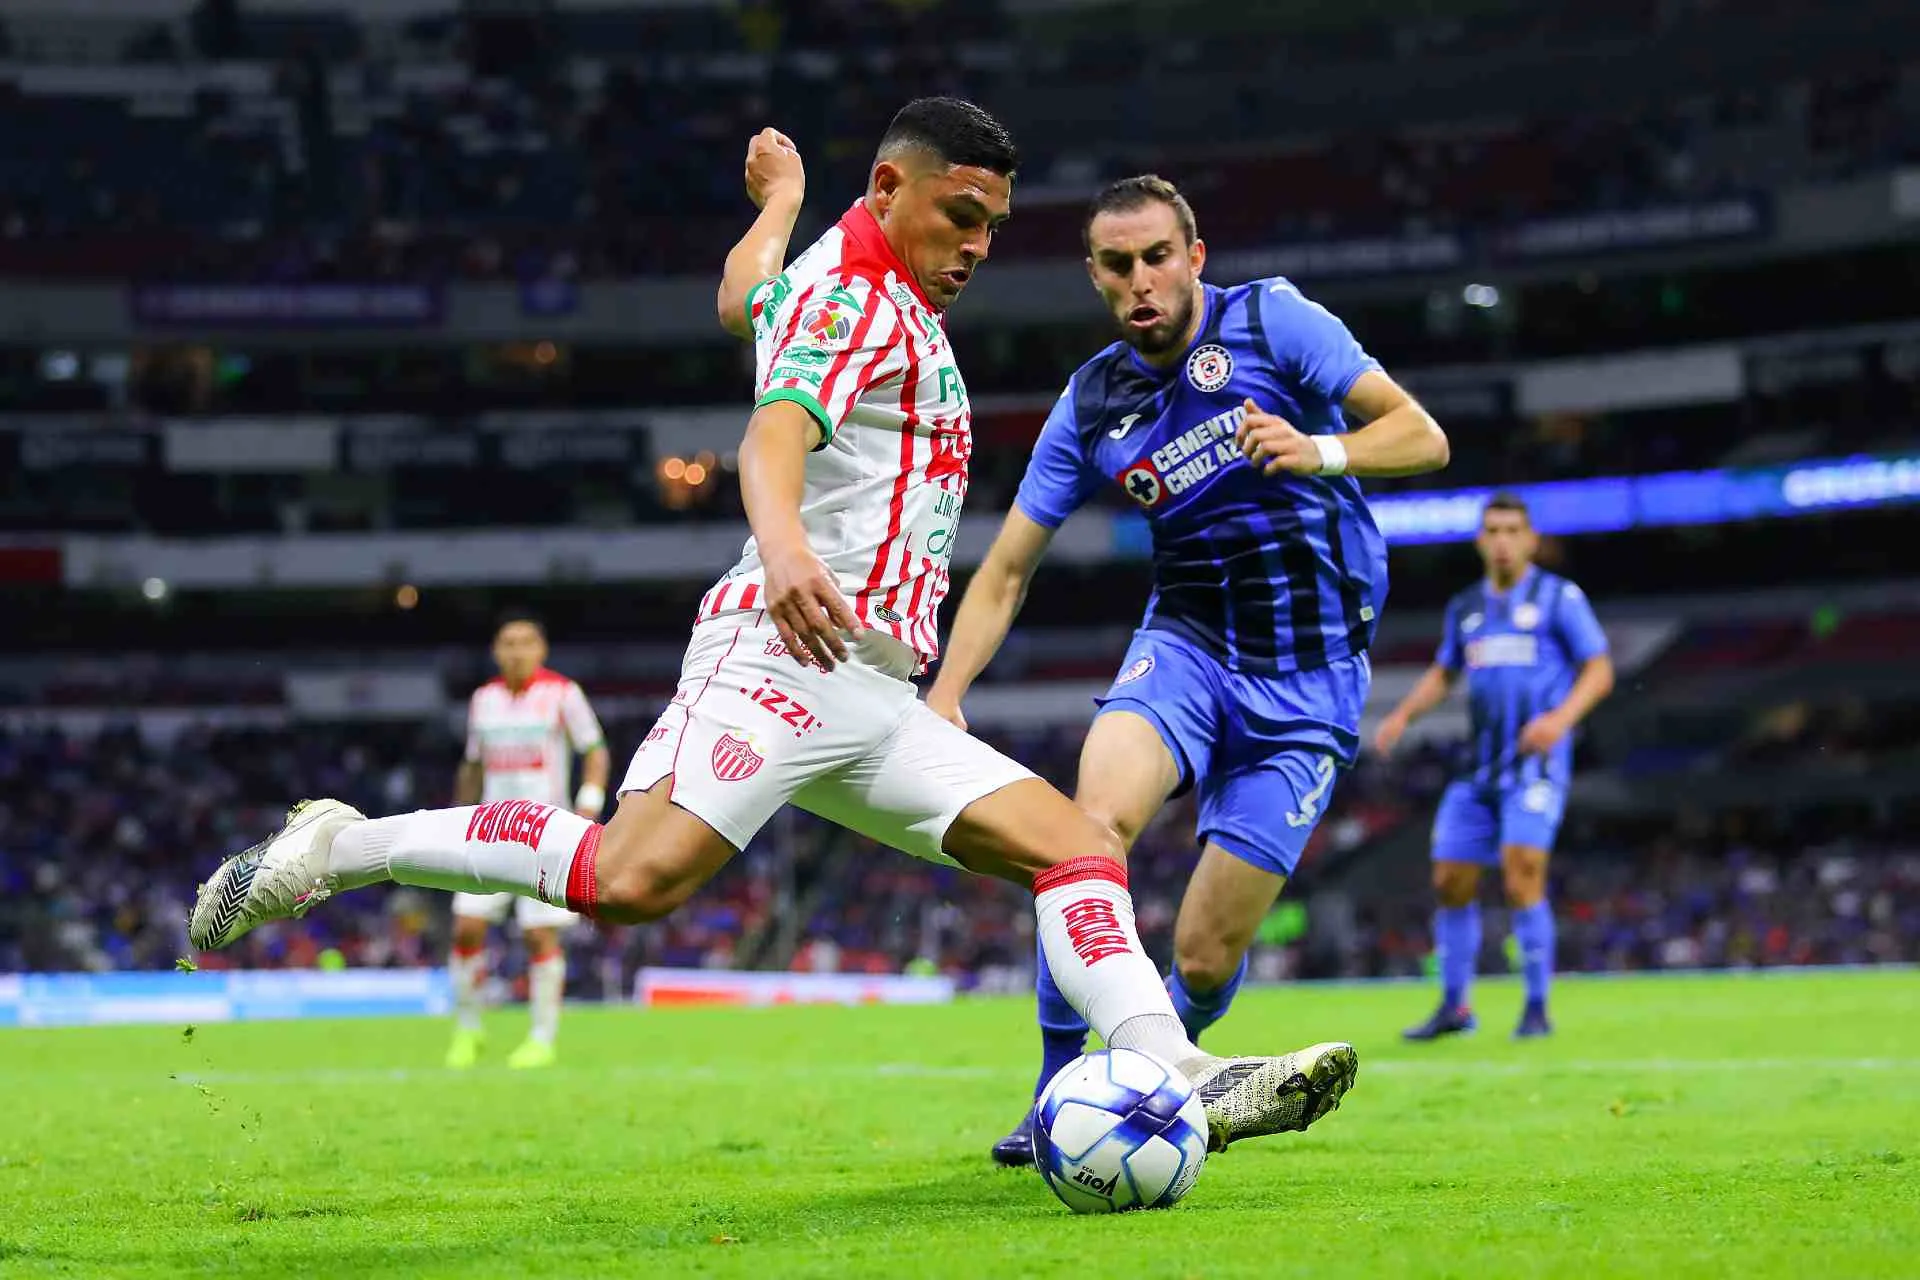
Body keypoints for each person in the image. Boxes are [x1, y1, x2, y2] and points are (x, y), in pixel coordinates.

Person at [187, 99, 1357, 1154]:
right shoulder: (856, 298)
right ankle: (337, 847)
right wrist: (790, 548)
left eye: (993, 225)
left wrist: (783, 206)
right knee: (629, 879)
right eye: (960, 215)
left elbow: (741, 295)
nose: (978, 247)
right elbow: (771, 436)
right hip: (781, 657)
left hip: (873, 694)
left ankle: (1180, 1067)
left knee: (1075, 847)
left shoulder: (833, 277)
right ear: (891, 190)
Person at [925, 175, 1449, 1166]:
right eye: (1117, 266)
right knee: (1084, 836)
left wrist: (1322, 448)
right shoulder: (1092, 400)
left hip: (1311, 673)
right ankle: (1055, 1087)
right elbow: (1003, 572)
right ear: (1095, 277)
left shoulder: (1275, 321)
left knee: (1206, 955)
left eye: (1157, 257)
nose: (1140, 282)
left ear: (1194, 257)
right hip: (1190, 643)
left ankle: (1165, 1078)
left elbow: (1421, 435)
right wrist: (944, 696)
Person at [1375, 493, 1614, 1040]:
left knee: (1521, 871)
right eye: (1493, 530)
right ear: (1480, 541)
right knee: (1450, 880)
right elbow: (1446, 671)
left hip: (1534, 766)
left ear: (1530, 540)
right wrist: (1403, 715)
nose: (1503, 540)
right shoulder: (1466, 608)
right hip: (1478, 770)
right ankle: (1455, 1008)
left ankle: (1536, 1008)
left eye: (1513, 530)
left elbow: (1599, 671)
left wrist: (1560, 720)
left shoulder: (1559, 599)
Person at [443, 613, 609, 1070]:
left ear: (541, 649)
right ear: (496, 651)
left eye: (525, 642)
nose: (516, 650)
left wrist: (588, 807)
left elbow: (594, 749)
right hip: (489, 830)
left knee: (539, 936)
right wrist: (457, 815)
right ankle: (468, 1030)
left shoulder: (562, 693)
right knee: (465, 929)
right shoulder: (484, 700)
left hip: (545, 832)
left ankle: (541, 1038)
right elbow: (473, 763)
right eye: (507, 642)